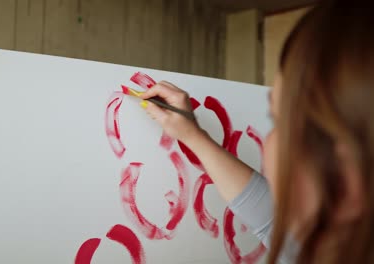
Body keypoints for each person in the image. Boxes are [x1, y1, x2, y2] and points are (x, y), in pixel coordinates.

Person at [140, 1, 374, 263]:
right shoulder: (318, 247)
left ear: (347, 181)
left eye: (279, 121)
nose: (269, 139)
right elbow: (269, 218)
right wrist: (193, 136)